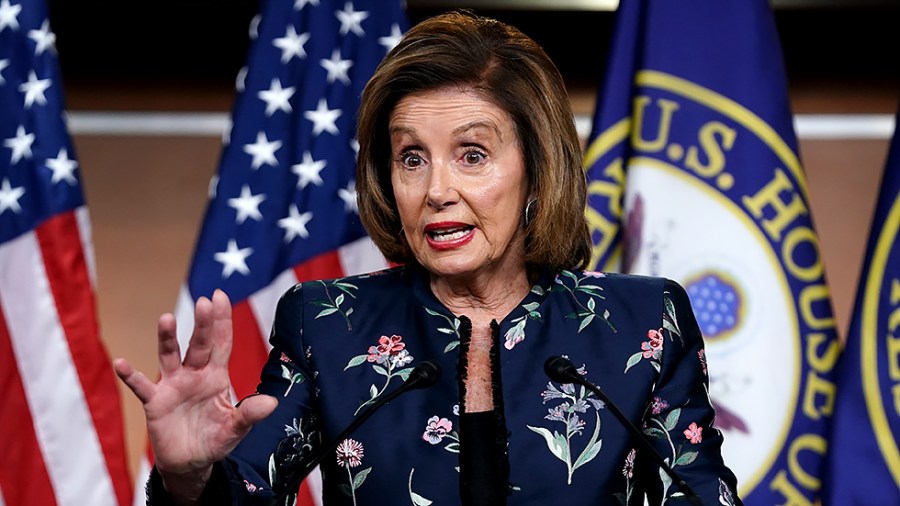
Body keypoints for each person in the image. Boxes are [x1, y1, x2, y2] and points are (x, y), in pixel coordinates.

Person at [115, 10, 742, 506]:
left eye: (472, 154)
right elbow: (247, 491)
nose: (437, 190)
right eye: (412, 158)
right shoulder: (329, 324)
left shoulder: (640, 325)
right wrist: (190, 480)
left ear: (536, 170)